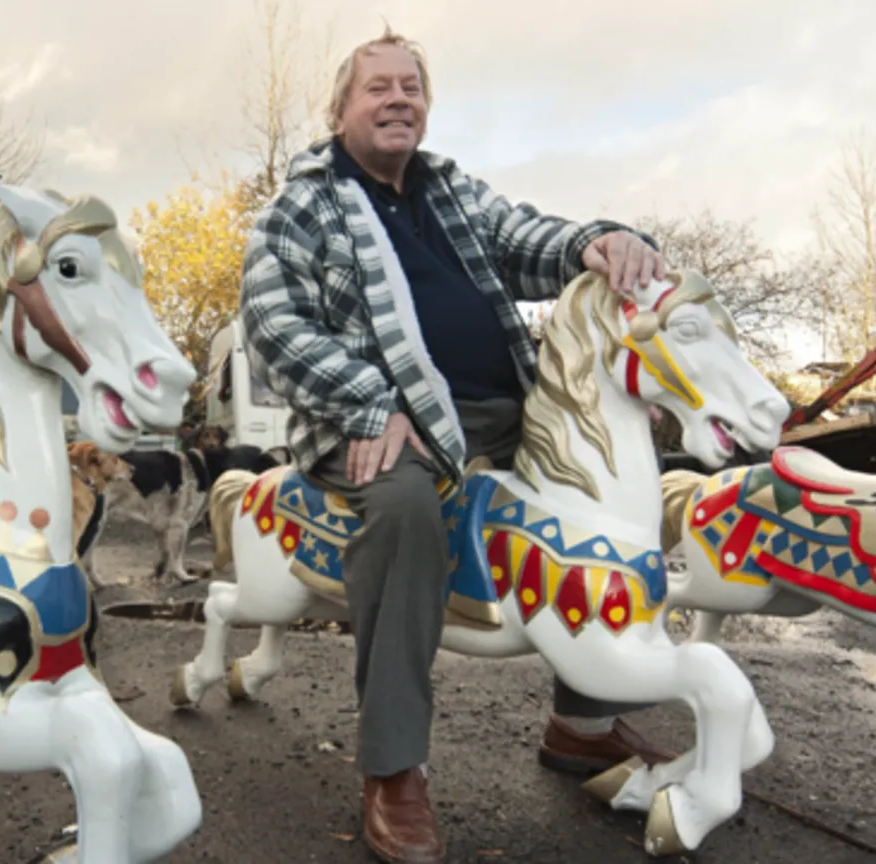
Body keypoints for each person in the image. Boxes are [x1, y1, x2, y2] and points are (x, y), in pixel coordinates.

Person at [239, 26, 677, 863]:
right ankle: (393, 766)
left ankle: (581, 723)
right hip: (367, 419)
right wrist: (371, 402)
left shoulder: (450, 193)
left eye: (413, 87)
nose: (398, 98)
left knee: (608, 495)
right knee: (405, 510)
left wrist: (597, 241)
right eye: (378, 88)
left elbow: (526, 239)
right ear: (338, 111)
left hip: (499, 409)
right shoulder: (302, 204)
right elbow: (272, 323)